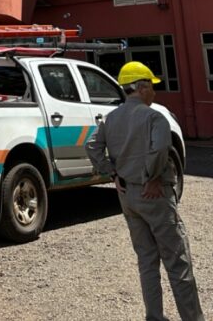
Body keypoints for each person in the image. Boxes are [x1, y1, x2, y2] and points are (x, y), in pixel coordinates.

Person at [86, 61, 204, 321]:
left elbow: (92, 146)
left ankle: (155, 317)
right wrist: (151, 177)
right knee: (177, 261)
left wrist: (113, 173)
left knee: (147, 261)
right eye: (151, 86)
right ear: (141, 87)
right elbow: (161, 149)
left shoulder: (110, 117)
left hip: (127, 196)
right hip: (155, 195)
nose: (154, 92)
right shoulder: (154, 117)